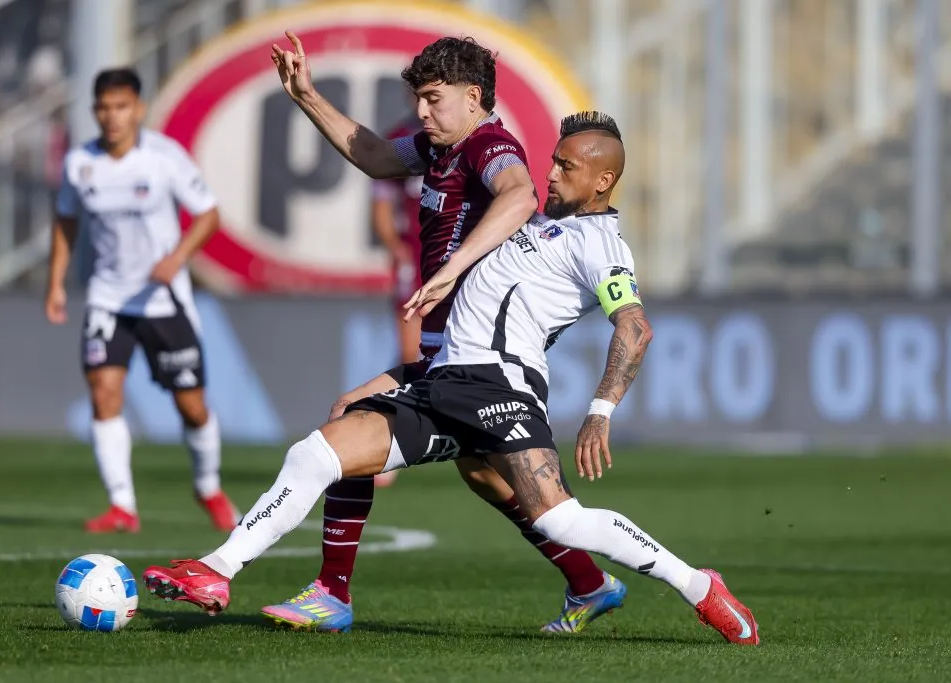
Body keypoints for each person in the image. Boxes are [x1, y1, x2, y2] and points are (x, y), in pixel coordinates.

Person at [141, 111, 761, 646]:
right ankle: (219, 569)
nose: (552, 173)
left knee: (560, 520)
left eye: (568, 167)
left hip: (499, 387)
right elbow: (386, 160)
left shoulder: (601, 243)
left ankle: (700, 586)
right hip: (442, 382)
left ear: (603, 180)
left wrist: (600, 409)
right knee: (318, 452)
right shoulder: (543, 227)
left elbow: (634, 327)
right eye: (553, 161)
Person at [257, 32, 621, 634]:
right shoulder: (438, 151)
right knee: (483, 474)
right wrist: (307, 96)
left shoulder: (489, 145)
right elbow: (374, 155)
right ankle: (590, 583)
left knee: (350, 427)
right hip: (448, 351)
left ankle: (331, 594)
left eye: (432, 99)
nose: (421, 112)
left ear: (473, 96)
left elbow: (519, 192)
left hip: (476, 356)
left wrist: (452, 270)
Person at [45, 68, 238, 533]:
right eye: (104, 108)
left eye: (121, 106)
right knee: (103, 393)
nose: (112, 117)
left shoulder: (163, 158)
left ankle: (208, 486)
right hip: (108, 298)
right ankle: (122, 506)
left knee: (191, 405)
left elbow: (208, 214)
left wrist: (177, 258)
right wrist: (55, 283)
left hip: (162, 299)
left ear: (139, 109)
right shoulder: (80, 164)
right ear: (95, 111)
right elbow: (66, 220)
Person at [368, 112, 425, 488]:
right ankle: (382, 442)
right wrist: (395, 248)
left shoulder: (475, 137)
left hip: (460, 259)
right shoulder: (402, 139)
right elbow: (383, 205)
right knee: (410, 356)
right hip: (416, 261)